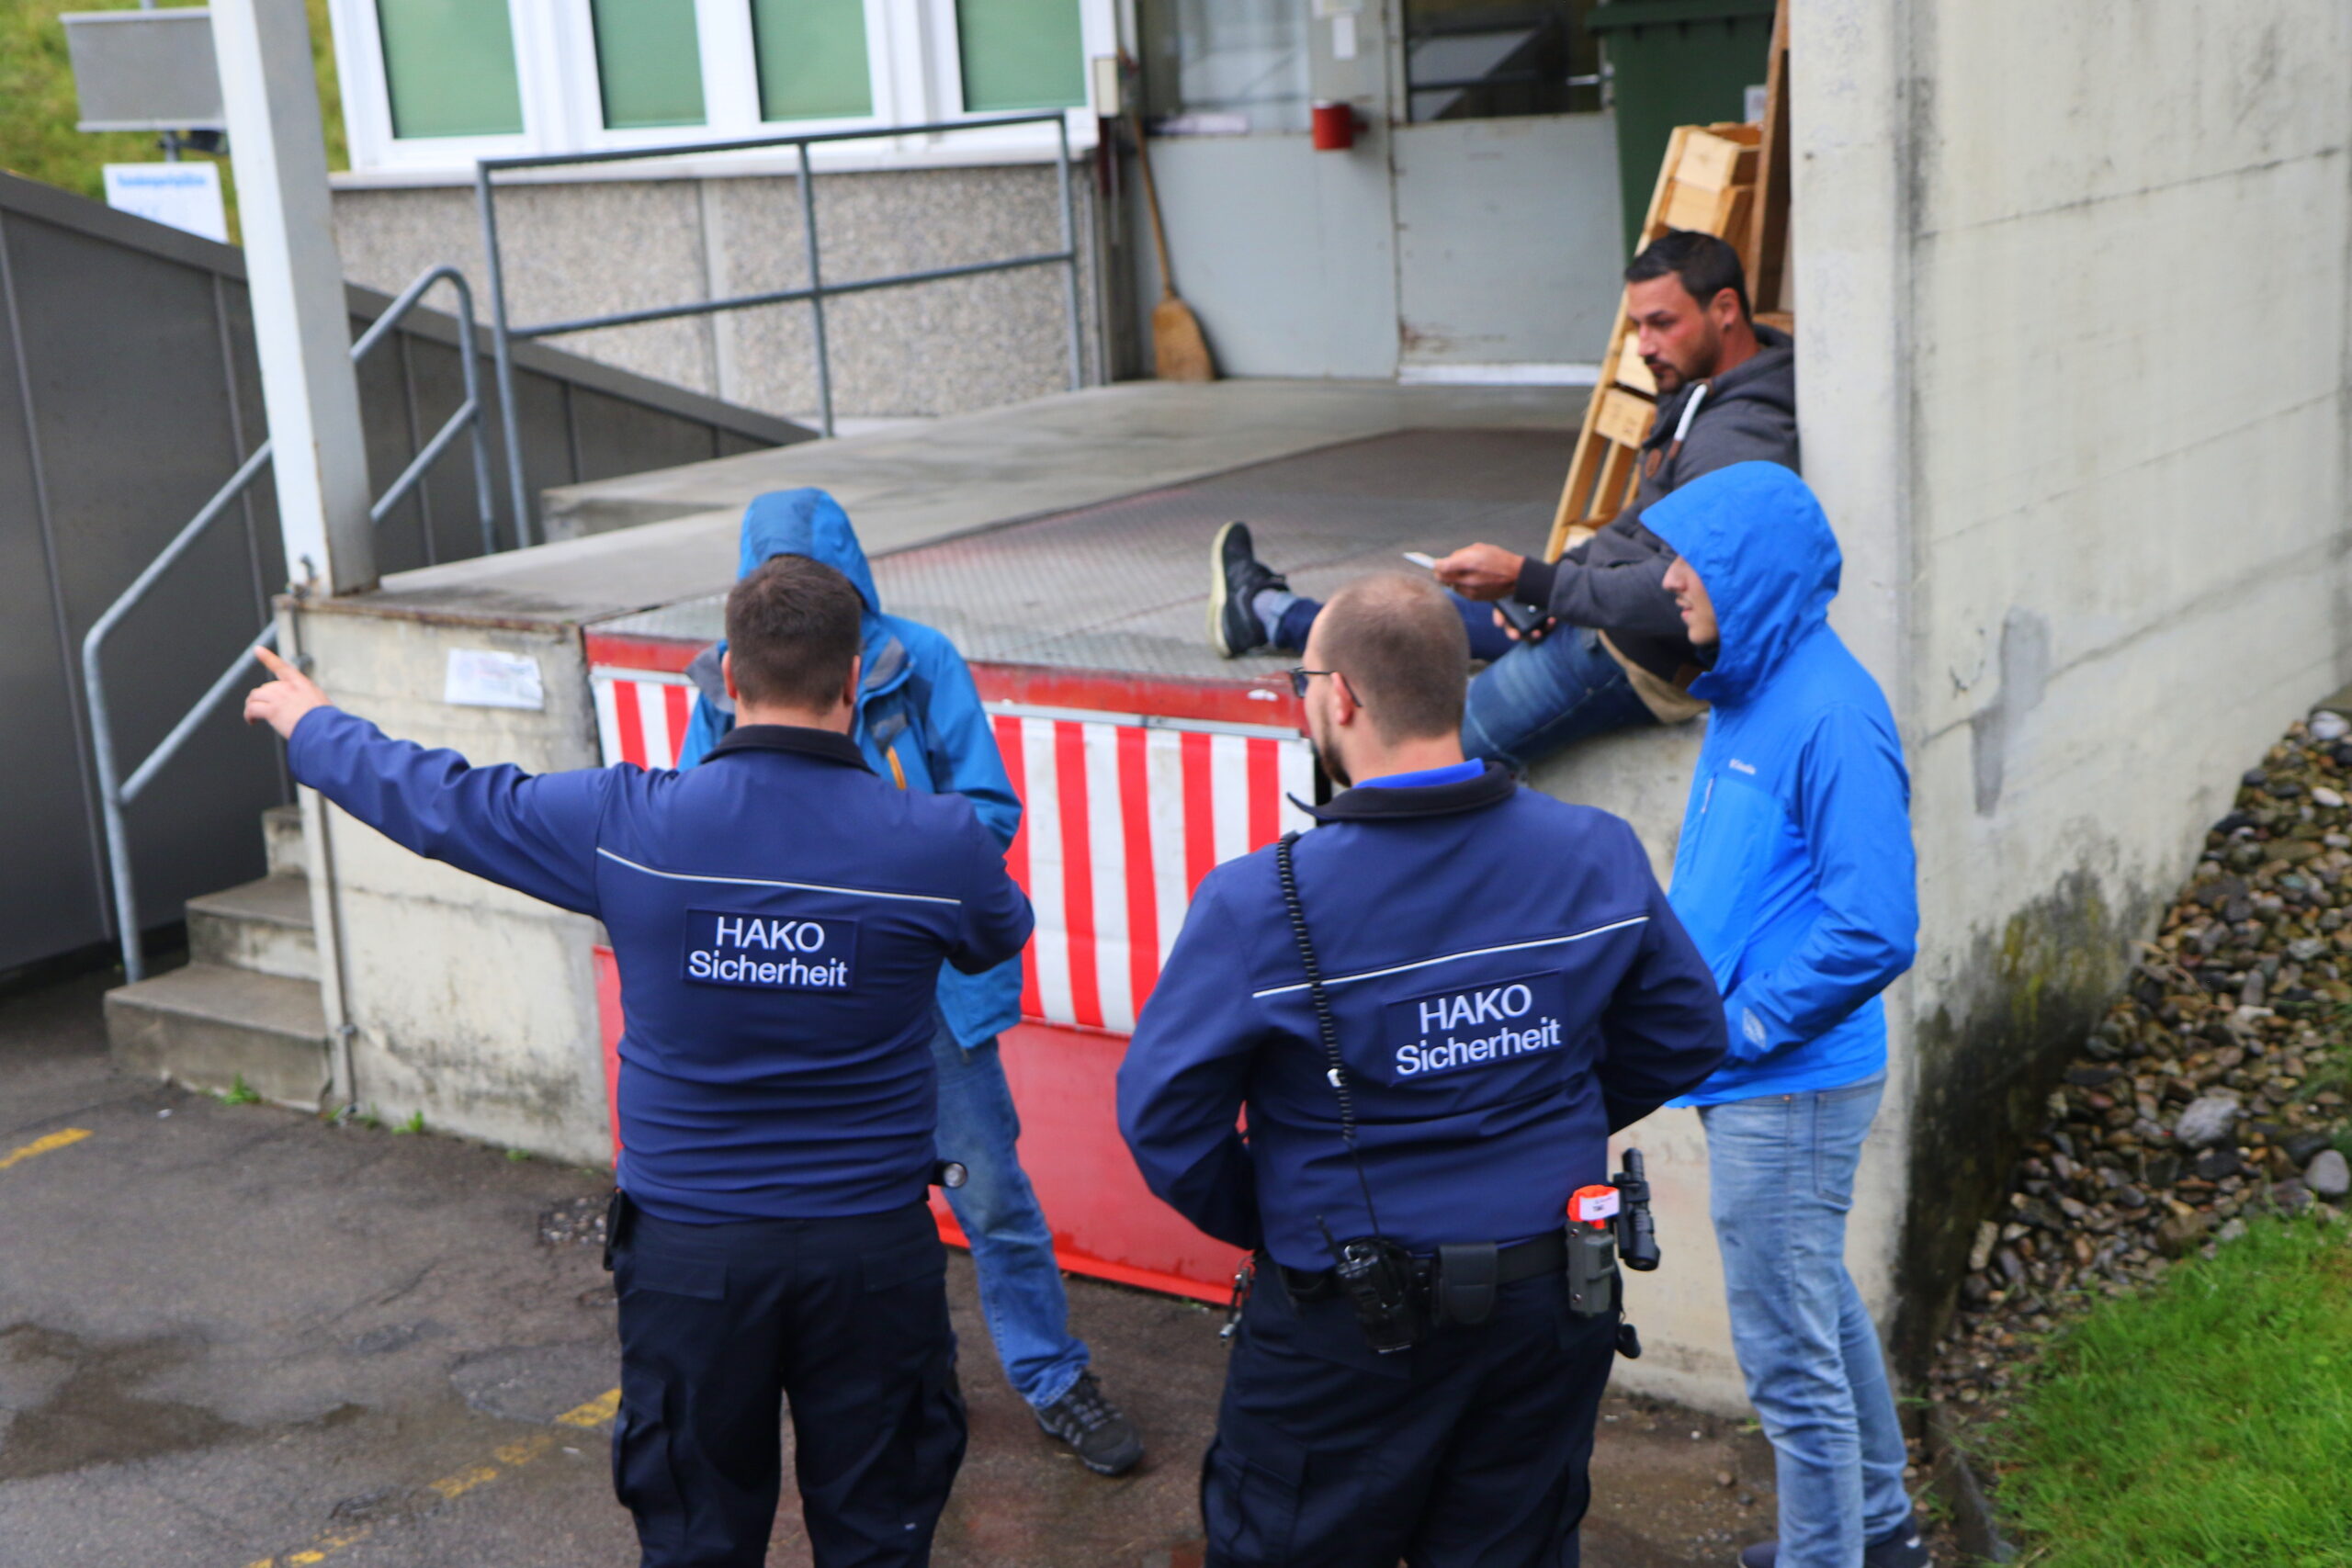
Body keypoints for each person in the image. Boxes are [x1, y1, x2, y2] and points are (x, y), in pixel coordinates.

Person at [243, 557, 1033, 1568]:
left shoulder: (630, 824)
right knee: (880, 1531)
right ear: (856, 681)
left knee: (698, 1534)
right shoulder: (933, 842)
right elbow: (994, 933)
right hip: (868, 1259)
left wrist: (315, 725)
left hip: (692, 1262)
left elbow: (444, 804)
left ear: (726, 682)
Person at [1117, 572, 1729, 1567]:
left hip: (1345, 1324)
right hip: (1548, 1307)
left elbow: (1164, 1126)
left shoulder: (1257, 905)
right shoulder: (1595, 854)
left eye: (1303, 680)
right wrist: (1549, 1115)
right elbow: (1684, 1034)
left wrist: (1281, 1216)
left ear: (1341, 697)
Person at [673, 488, 1143, 1476]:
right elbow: (697, 822)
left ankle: (1053, 1379)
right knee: (838, 1215)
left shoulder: (919, 660)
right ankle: (893, 1392)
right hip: (795, 996)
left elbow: (991, 812)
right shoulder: (725, 678)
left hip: (927, 1003)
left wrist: (878, 861)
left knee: (989, 1197)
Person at [1208, 230, 1797, 771]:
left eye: (1661, 323)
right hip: (1601, 613)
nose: (1643, 346)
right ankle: (1264, 610)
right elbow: (1641, 525)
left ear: (1724, 310)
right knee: (1403, 624)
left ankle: (1269, 614)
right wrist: (1542, 583)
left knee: (1412, 752)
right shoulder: (1703, 386)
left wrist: (1537, 583)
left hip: (1639, 658)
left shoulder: (1736, 438)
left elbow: (1684, 599)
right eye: (1637, 325)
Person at [1640, 462, 1928, 1568]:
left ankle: (1830, 1559)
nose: (1670, 579)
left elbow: (1875, 925)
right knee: (1815, 1303)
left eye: (1691, 558)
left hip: (1785, 1079)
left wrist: (1742, 1026)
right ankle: (1880, 1526)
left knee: (1785, 1356)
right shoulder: (1753, 684)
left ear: (1749, 572)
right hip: (1753, 1075)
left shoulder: (1832, 715)